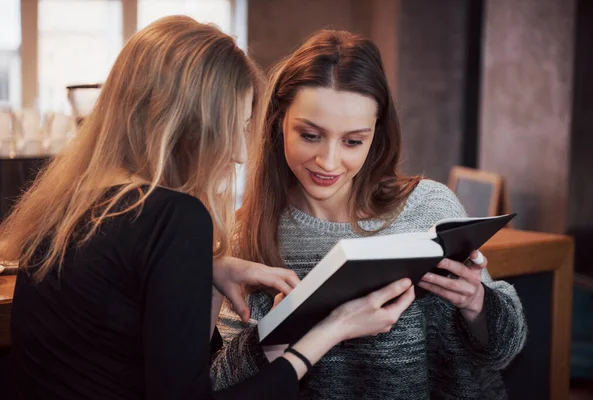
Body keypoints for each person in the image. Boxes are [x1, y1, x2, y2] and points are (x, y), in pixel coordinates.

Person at [0, 18, 416, 400]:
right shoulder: (174, 218)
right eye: (233, 127)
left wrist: (206, 266)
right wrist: (331, 331)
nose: (238, 153)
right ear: (182, 126)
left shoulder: (66, 205)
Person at [212, 30, 527, 400]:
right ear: (279, 122)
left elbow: (504, 352)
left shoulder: (428, 207)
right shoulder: (243, 234)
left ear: (376, 134)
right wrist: (280, 331)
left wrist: (477, 302)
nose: (328, 161)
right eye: (310, 135)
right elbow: (220, 385)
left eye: (353, 141)